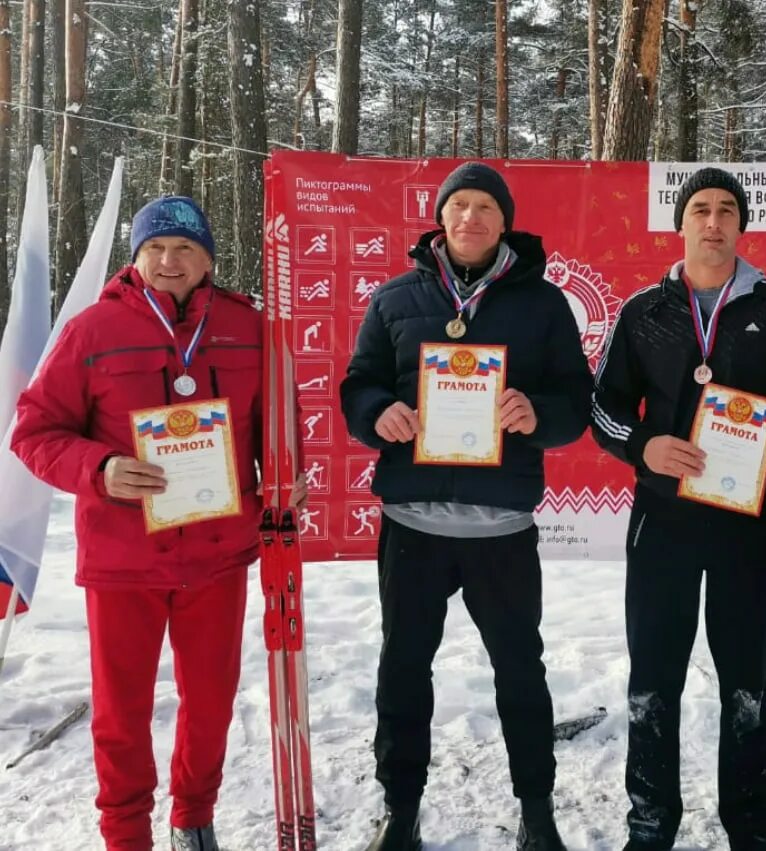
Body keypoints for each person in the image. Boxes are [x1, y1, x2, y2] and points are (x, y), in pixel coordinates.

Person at [11, 196, 305, 851]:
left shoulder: (246, 327)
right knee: (122, 712)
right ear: (137, 256)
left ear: (207, 260)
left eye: (185, 249)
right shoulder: (92, 330)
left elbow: (277, 428)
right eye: (156, 249)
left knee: (210, 703)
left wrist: (288, 481)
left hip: (219, 554)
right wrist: (100, 466)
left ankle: (193, 816)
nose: (169, 261)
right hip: (124, 560)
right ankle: (126, 833)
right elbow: (33, 431)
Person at [340, 162, 592, 851]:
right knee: (402, 667)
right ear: (440, 217)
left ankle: (536, 810)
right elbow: (357, 385)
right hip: (413, 524)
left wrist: (534, 412)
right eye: (460, 205)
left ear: (503, 220)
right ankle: (401, 806)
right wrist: (378, 413)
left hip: (501, 526)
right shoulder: (395, 299)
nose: (471, 217)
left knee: (519, 669)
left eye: (485, 206)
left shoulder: (542, 306)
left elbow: (577, 403)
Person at [591, 167, 766, 851]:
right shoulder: (644, 310)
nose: (713, 221)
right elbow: (602, 408)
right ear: (681, 222)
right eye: (700, 208)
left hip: (745, 527)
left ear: (741, 224)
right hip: (662, 525)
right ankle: (649, 823)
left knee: (746, 685)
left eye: (727, 209)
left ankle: (753, 828)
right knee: (652, 683)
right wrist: (645, 446)